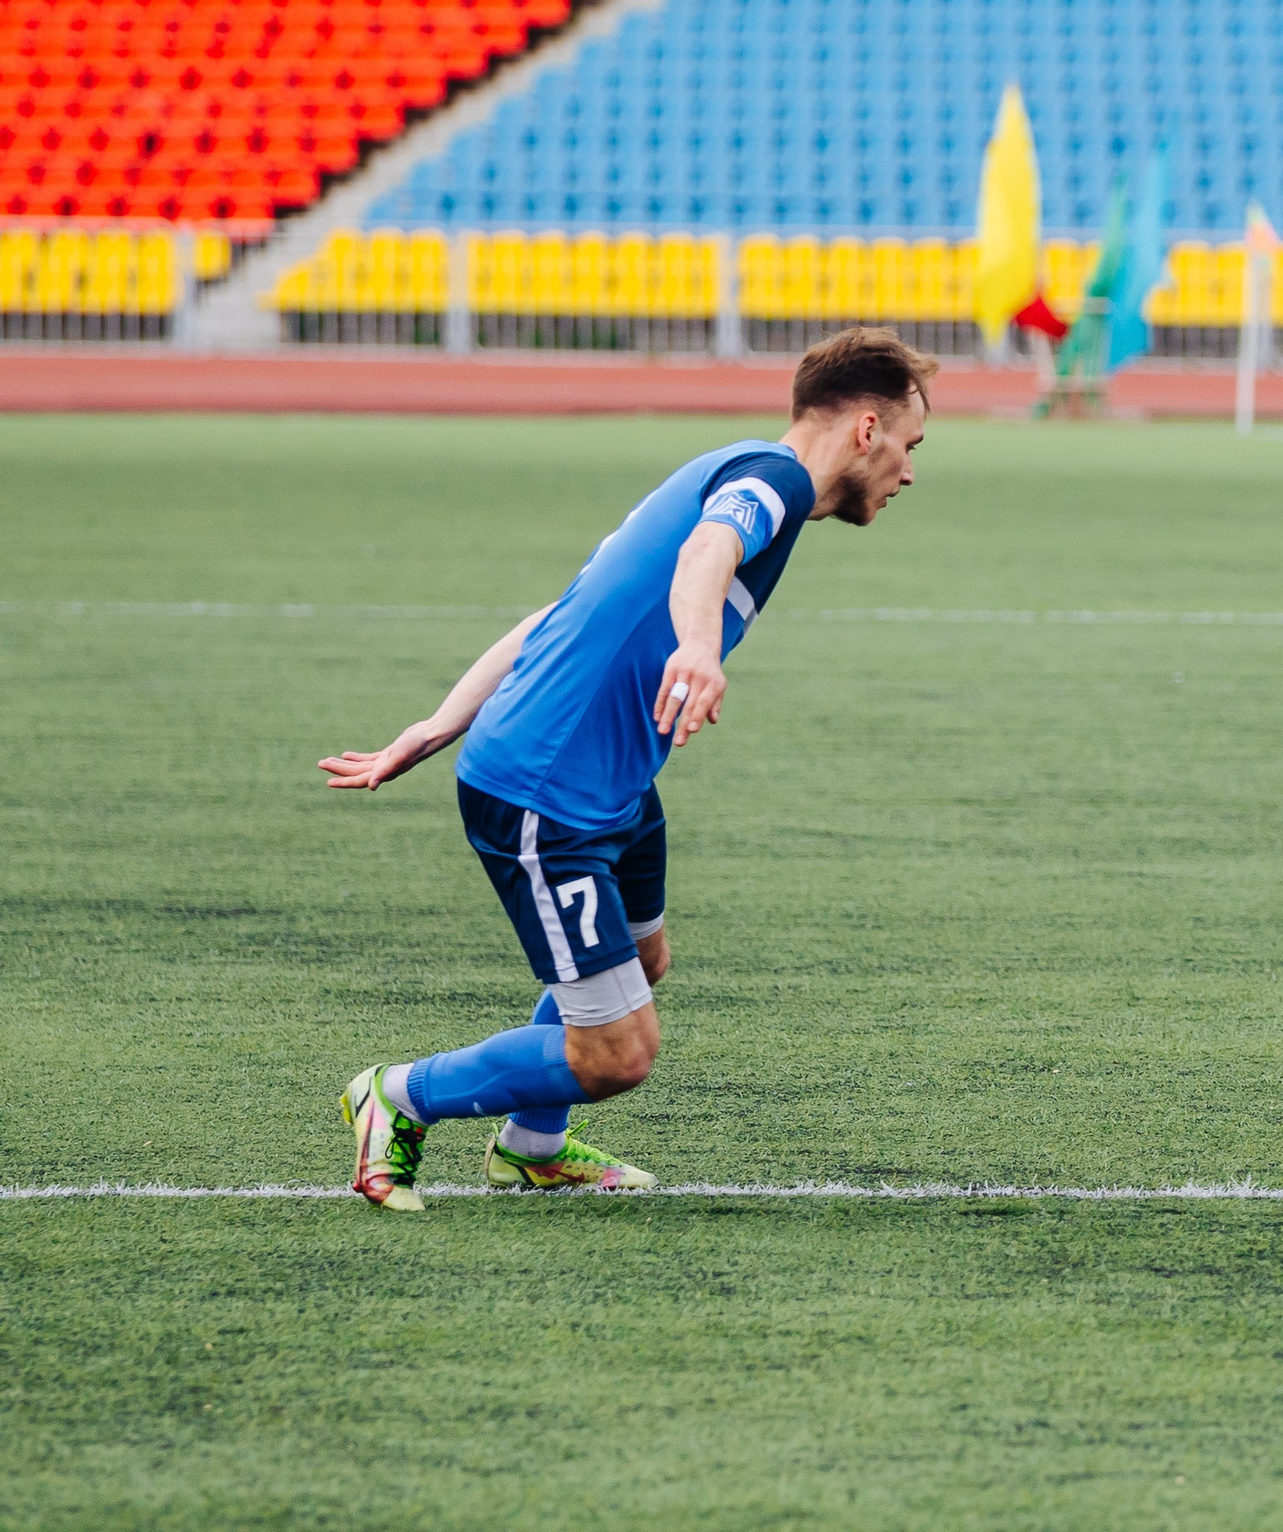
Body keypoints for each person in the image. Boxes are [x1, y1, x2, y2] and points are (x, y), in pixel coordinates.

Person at [317, 328, 934, 1210]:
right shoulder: (775, 480)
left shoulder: (732, 469)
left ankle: (533, 1146)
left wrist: (442, 719)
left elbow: (563, 612)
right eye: (911, 444)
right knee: (618, 1053)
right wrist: (698, 647)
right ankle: (400, 1094)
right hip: (547, 793)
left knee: (644, 956)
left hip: (613, 785)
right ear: (867, 429)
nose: (909, 471)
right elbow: (707, 554)